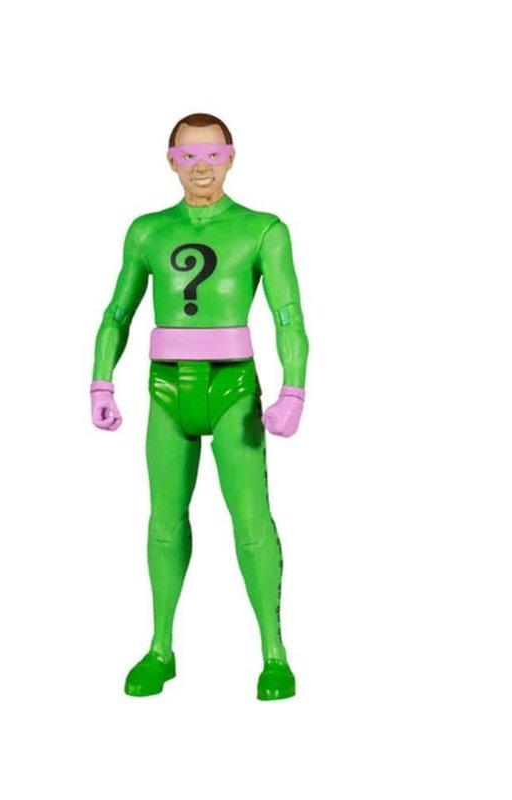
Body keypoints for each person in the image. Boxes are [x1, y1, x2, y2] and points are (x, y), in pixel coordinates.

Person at [90, 112, 309, 700]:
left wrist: (293, 389)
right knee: (163, 521)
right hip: (165, 388)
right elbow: (118, 311)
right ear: (171, 161)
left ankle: (274, 652)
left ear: (231, 157)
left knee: (251, 521)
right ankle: (160, 647)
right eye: (189, 156)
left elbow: (288, 315)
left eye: (213, 154)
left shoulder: (262, 230)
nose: (202, 167)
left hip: (232, 387)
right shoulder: (147, 232)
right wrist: (101, 382)